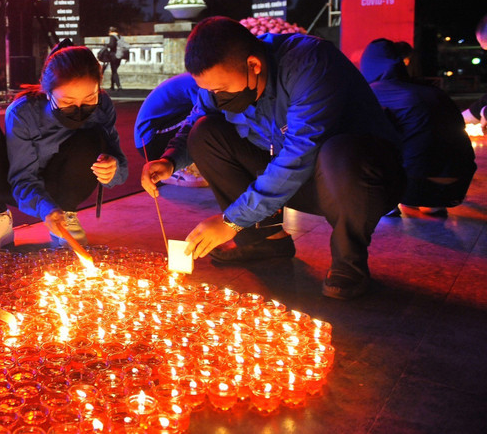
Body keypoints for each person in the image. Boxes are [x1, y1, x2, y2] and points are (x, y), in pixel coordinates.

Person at [141, 17, 405, 300]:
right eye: (209, 91)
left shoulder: (308, 64)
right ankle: (263, 240)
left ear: (254, 65)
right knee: (204, 132)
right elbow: (196, 118)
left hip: (359, 180)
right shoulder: (221, 84)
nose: (215, 97)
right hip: (297, 180)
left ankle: (349, 261)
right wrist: (169, 160)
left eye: (220, 90)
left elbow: (298, 155)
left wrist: (232, 221)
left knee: (338, 151)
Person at [0, 43, 128, 251]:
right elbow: (22, 177)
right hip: (18, 186)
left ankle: (66, 215)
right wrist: (45, 208)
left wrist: (112, 170)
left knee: (91, 135)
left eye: (89, 99)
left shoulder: (102, 107)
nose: (79, 110)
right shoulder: (23, 113)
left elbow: (120, 163)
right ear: (48, 93)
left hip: (65, 185)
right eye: (67, 101)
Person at [360, 38, 476, 215]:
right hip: (458, 185)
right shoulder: (432, 91)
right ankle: (432, 204)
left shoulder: (374, 93)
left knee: (356, 139)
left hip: (415, 184)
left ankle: (387, 202)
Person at [133, 72, 208, 187]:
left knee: (205, 112)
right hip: (151, 138)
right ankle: (178, 170)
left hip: (157, 132)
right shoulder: (202, 83)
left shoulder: (198, 78)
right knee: (204, 117)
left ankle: (183, 162)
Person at [105, 26, 126, 91]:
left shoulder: (112, 37)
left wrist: (106, 44)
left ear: (111, 31)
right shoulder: (120, 37)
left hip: (113, 56)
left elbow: (111, 45)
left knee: (114, 71)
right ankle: (112, 86)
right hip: (119, 56)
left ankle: (119, 86)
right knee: (114, 70)